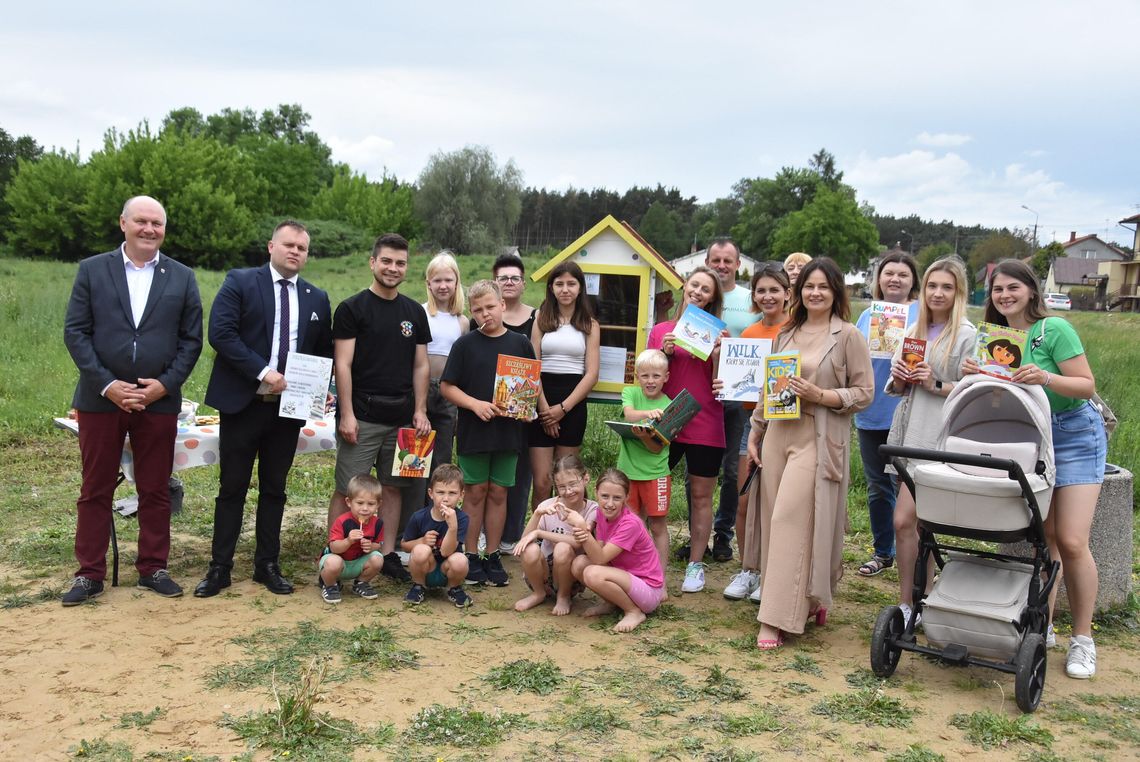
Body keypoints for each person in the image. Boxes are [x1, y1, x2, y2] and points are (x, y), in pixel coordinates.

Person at [965, 259, 1106, 679]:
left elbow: (1086, 385)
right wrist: (976, 376)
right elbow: (995, 399)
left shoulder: (1054, 329)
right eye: (997, 290)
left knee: (1073, 539)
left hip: (1075, 434)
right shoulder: (994, 338)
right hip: (1030, 436)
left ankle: (1084, 637)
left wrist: (1044, 377)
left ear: (1031, 290)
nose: (1005, 296)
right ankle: (1043, 624)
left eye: (1013, 288)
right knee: (1045, 537)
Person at [62, 196, 203, 605]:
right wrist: (108, 385)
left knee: (156, 487)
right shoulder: (92, 270)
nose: (149, 229)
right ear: (123, 222)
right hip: (100, 399)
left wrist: (164, 384)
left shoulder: (182, 276)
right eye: (141, 221)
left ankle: (153, 568)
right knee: (96, 487)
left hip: (158, 400)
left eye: (156, 223)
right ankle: (89, 574)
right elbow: (76, 333)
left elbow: (191, 340)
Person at [193, 220, 334, 598]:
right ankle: (220, 567)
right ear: (271, 246)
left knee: (275, 489)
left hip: (287, 410)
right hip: (243, 404)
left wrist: (323, 389)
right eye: (288, 244)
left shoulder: (317, 297)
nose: (295, 252)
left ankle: (266, 565)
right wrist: (264, 372)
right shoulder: (240, 281)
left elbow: (322, 353)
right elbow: (221, 334)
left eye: (302, 248)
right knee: (232, 488)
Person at [747, 257, 873, 649]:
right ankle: (812, 597)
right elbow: (771, 386)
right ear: (798, 292)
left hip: (817, 437)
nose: (815, 292)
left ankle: (775, 618)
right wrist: (755, 430)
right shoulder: (787, 332)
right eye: (808, 286)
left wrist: (823, 396)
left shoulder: (849, 335)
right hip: (777, 434)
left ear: (836, 291)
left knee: (790, 519)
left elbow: (864, 392)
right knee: (773, 520)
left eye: (823, 286)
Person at [328, 233, 431, 584]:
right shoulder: (351, 309)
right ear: (373, 263)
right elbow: (342, 364)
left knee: (391, 488)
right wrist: (347, 413)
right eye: (386, 261)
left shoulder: (414, 312)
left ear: (407, 268)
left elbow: (420, 366)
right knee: (347, 490)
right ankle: (335, 553)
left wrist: (420, 409)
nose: (393, 268)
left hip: (401, 419)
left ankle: (384, 555)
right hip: (362, 417)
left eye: (400, 262)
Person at [884, 257, 975, 625]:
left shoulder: (968, 334)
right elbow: (898, 387)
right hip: (910, 434)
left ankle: (927, 597)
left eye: (947, 287)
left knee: (915, 522)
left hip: (943, 438)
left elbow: (976, 388)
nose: (938, 294)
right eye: (932, 286)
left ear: (959, 293)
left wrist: (935, 384)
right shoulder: (915, 329)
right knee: (907, 523)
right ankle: (909, 602)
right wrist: (901, 376)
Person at [441, 280, 536, 587]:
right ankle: (470, 554)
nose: (485, 314)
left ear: (503, 305)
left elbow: (530, 383)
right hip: (474, 432)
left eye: (490, 307)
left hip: (507, 432)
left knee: (499, 492)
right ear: (472, 312)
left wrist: (524, 405)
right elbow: (447, 386)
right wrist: (474, 404)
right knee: (476, 492)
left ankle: (492, 554)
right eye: (478, 310)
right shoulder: (465, 344)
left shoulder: (520, 343)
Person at [648, 266, 725, 593]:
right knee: (651, 488)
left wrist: (721, 356)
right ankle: (649, 555)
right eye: (695, 285)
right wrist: (662, 354)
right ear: (685, 286)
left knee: (701, 495)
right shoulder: (661, 330)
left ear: (712, 298)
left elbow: (724, 386)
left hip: (706, 419)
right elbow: (647, 378)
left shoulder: (721, 335)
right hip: (669, 416)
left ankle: (695, 563)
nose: (698, 292)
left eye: (706, 290)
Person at [721, 263, 791, 602]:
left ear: (787, 294)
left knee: (778, 504)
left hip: (787, 424)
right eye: (761, 291)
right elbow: (739, 384)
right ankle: (748, 569)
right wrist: (725, 383)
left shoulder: (796, 331)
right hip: (751, 424)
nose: (767, 296)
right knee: (744, 499)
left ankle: (772, 572)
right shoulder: (748, 335)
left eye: (774, 290)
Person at [853, 251, 919, 578]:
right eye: (888, 273)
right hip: (871, 411)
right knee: (878, 486)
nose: (895, 279)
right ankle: (883, 552)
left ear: (913, 281)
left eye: (902, 274)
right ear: (879, 279)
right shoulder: (867, 316)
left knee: (911, 485)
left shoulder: (925, 314)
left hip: (910, 413)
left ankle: (918, 554)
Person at [403, 252, 469, 521]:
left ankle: (438, 520)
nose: (443, 285)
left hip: (448, 393)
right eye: (437, 280)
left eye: (448, 280)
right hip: (420, 392)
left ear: (456, 283)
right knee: (413, 460)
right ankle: (412, 520)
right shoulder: (419, 313)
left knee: (441, 459)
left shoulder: (462, 321)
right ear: (428, 283)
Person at [529, 261, 600, 511]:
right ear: (551, 288)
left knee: (567, 482)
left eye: (571, 283)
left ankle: (567, 534)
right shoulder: (540, 319)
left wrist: (563, 409)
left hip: (573, 404)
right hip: (541, 400)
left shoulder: (590, 325)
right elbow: (532, 366)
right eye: (559, 284)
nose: (565, 289)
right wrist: (546, 409)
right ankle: (538, 534)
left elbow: (591, 374)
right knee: (542, 481)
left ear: (581, 288)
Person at [568, 468, 666, 633]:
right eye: (605, 496)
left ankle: (634, 612)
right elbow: (598, 549)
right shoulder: (600, 512)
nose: (610, 503)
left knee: (593, 572)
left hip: (648, 590)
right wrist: (585, 536)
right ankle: (612, 603)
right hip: (624, 577)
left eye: (617, 498)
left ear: (626, 498)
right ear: (596, 492)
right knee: (579, 564)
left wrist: (582, 529)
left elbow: (600, 558)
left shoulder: (630, 523)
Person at [706, 238, 755, 562]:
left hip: (740, 398)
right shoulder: (700, 296)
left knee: (734, 472)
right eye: (716, 260)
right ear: (708, 262)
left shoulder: (749, 299)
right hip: (705, 395)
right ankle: (699, 534)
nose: (722, 265)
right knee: (700, 470)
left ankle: (722, 536)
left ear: (738, 264)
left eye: (728, 260)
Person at [485, 254, 538, 552]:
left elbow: (536, 361)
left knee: (519, 473)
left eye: (514, 277)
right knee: (484, 477)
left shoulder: (537, 317)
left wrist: (530, 403)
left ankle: (511, 535)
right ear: (494, 282)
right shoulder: (483, 316)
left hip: (522, 409)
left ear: (523, 282)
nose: (508, 282)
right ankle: (484, 533)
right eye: (502, 277)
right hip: (487, 410)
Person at [513, 454, 598, 615]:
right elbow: (523, 542)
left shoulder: (593, 509)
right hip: (542, 574)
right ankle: (538, 593)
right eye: (562, 487)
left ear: (585, 478)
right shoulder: (548, 506)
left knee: (563, 548)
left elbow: (578, 542)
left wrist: (540, 532)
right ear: (556, 486)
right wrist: (537, 514)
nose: (568, 491)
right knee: (529, 549)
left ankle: (564, 596)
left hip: (571, 577)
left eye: (573, 484)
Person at [617, 349, 673, 568]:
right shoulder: (630, 393)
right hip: (627, 474)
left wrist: (644, 437)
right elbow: (629, 415)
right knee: (632, 524)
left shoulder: (669, 405)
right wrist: (647, 415)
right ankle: (635, 572)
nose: (650, 381)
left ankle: (659, 580)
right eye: (645, 375)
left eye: (656, 376)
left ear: (666, 377)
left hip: (655, 475)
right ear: (637, 376)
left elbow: (657, 449)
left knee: (658, 526)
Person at [401, 464, 473, 608]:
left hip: (447, 569)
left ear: (461, 495)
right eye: (440, 492)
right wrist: (421, 541)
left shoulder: (462, 518)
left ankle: (454, 588)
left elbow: (446, 552)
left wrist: (452, 527)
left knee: (460, 560)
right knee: (421, 550)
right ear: (431, 493)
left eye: (452, 493)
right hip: (426, 568)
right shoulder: (419, 517)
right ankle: (418, 586)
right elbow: (404, 546)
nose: (446, 499)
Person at [318, 473, 386, 604]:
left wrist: (371, 546)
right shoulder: (342, 521)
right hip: (339, 561)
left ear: (378, 504)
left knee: (378, 559)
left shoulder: (378, 523)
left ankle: (361, 583)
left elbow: (379, 544)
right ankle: (330, 585)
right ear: (349, 502)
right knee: (333, 563)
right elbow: (334, 547)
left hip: (358, 563)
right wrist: (348, 541)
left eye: (371, 504)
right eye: (360, 503)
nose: (365, 508)